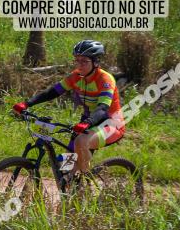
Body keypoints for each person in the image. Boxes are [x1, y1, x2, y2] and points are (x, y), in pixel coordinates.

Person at [12, 40, 125, 175]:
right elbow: (52, 92)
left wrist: (87, 122)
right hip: (88, 121)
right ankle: (72, 186)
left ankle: (86, 180)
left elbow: (102, 108)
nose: (79, 65)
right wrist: (27, 103)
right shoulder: (75, 76)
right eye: (77, 60)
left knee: (81, 141)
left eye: (84, 61)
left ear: (95, 62)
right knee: (67, 167)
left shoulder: (105, 79)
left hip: (111, 124)